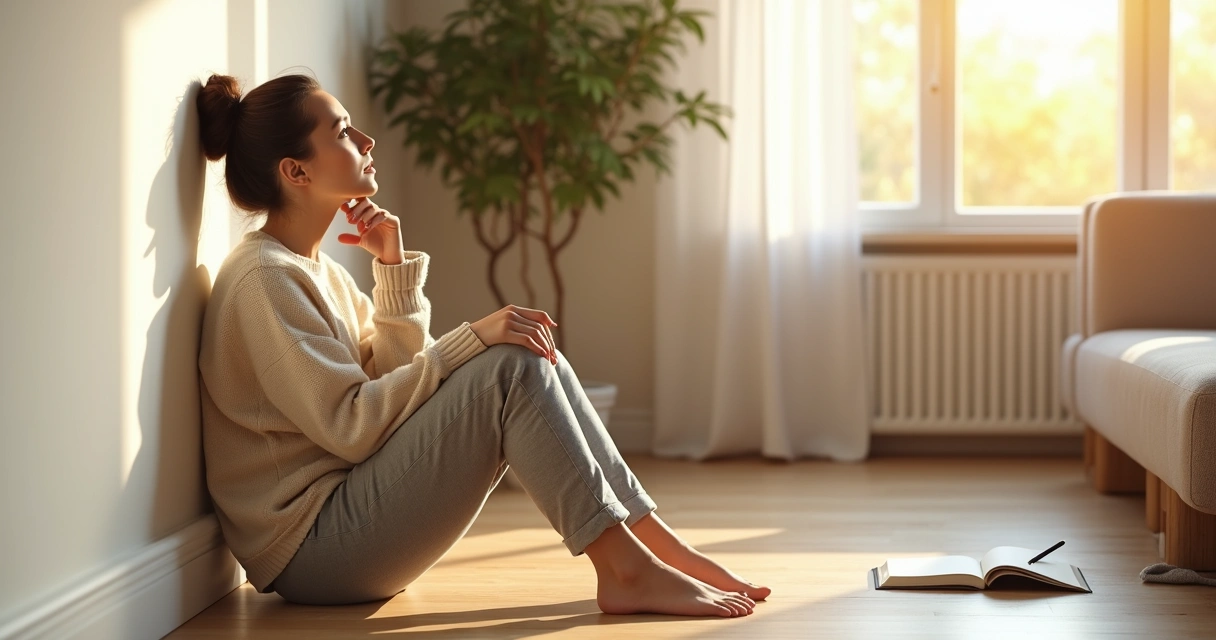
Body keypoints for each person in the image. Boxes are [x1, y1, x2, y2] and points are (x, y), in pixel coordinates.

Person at [195, 72, 770, 617]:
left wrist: (392, 268)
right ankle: (628, 571)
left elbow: (393, 394)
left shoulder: (318, 272)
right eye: (343, 131)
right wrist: (466, 341)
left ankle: (653, 546)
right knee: (507, 362)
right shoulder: (264, 279)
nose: (366, 139)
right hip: (315, 551)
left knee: (526, 347)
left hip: (351, 520)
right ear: (295, 172)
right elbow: (354, 430)